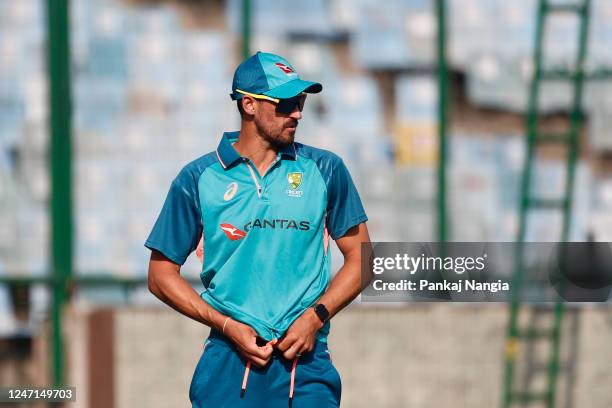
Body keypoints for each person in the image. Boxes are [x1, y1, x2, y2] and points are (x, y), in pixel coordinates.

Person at [145, 51, 371, 407]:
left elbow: (363, 259)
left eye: (300, 102)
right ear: (248, 105)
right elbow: (160, 275)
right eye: (285, 103)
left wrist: (316, 316)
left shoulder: (326, 170)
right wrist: (226, 325)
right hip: (228, 362)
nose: (297, 112)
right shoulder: (198, 178)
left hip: (308, 366)